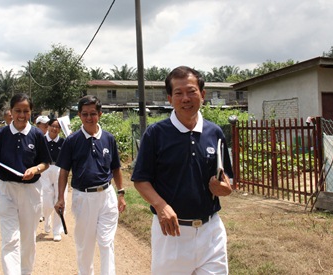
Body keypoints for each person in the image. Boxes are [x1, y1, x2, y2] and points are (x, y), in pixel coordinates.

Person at [131, 66, 234, 274]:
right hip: (171, 235)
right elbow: (141, 180)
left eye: (191, 91)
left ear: (202, 95)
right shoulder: (156, 134)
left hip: (211, 232)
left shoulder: (214, 132)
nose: (185, 98)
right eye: (178, 93)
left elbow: (228, 177)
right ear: (170, 99)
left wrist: (226, 188)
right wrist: (161, 206)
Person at [55, 95, 126, 275]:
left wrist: (121, 193)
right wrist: (61, 198)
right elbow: (63, 171)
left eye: (93, 113)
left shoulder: (108, 138)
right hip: (83, 197)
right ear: (79, 115)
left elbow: (116, 168)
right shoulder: (72, 141)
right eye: (85, 114)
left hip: (107, 196)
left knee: (106, 241)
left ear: (100, 114)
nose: (89, 118)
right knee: (85, 245)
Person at [0, 93, 52, 275]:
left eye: (26, 111)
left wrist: (34, 170)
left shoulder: (37, 135)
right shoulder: (1, 133)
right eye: (18, 111)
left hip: (30, 192)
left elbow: (45, 163)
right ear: (11, 111)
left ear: (31, 112)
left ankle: (26, 271)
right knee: (9, 238)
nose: (22, 115)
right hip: (6, 191)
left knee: (28, 238)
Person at [40, 118, 67, 242]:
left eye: (57, 127)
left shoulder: (64, 142)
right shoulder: (41, 140)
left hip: (59, 170)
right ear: (48, 126)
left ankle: (57, 230)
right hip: (45, 170)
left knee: (59, 199)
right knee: (46, 200)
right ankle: (47, 220)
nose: (54, 129)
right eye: (52, 126)